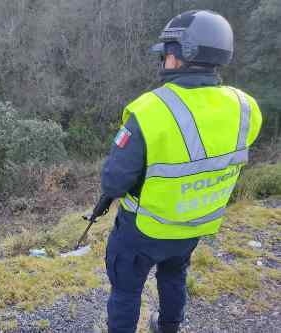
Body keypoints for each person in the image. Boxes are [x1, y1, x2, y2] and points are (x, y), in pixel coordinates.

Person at [85, 10, 263, 333]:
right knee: (173, 275)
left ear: (183, 55)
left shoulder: (150, 109)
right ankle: (169, 326)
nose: (164, 60)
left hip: (143, 228)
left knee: (126, 289)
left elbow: (114, 180)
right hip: (195, 223)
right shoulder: (245, 107)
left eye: (168, 53)